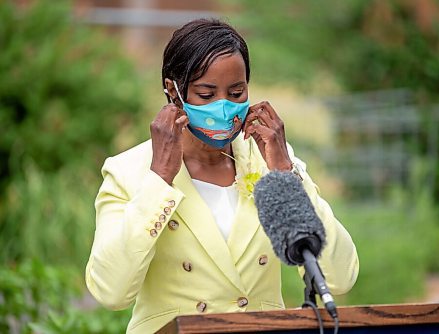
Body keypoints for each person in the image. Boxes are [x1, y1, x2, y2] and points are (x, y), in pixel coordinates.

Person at [85, 19, 359, 334]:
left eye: (236, 92)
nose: (224, 108)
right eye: (206, 94)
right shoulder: (129, 171)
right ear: (172, 91)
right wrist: (159, 179)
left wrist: (285, 173)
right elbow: (111, 291)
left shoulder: (270, 161)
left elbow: (340, 277)